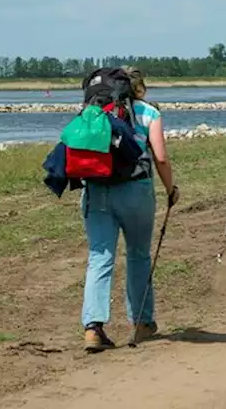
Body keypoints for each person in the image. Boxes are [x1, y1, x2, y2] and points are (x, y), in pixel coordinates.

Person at [80, 67, 179, 353]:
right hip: (136, 191)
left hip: (96, 190)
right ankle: (141, 321)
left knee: (100, 256)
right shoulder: (149, 113)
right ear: (140, 88)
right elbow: (160, 157)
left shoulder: (94, 111)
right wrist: (171, 190)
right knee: (138, 254)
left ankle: (93, 328)